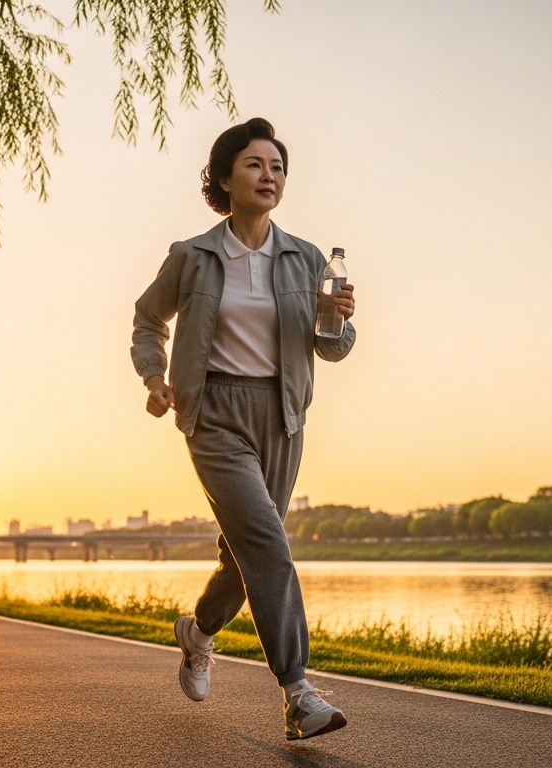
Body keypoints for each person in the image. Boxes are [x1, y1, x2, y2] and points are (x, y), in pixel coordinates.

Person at [129, 117, 356, 740]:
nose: (269, 175)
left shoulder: (307, 258)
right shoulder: (194, 256)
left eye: (277, 166)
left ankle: (199, 631)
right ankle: (298, 694)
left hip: (282, 417)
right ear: (225, 179)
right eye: (255, 164)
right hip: (214, 414)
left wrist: (337, 317)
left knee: (245, 553)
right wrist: (153, 377)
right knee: (269, 544)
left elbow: (332, 348)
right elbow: (148, 319)